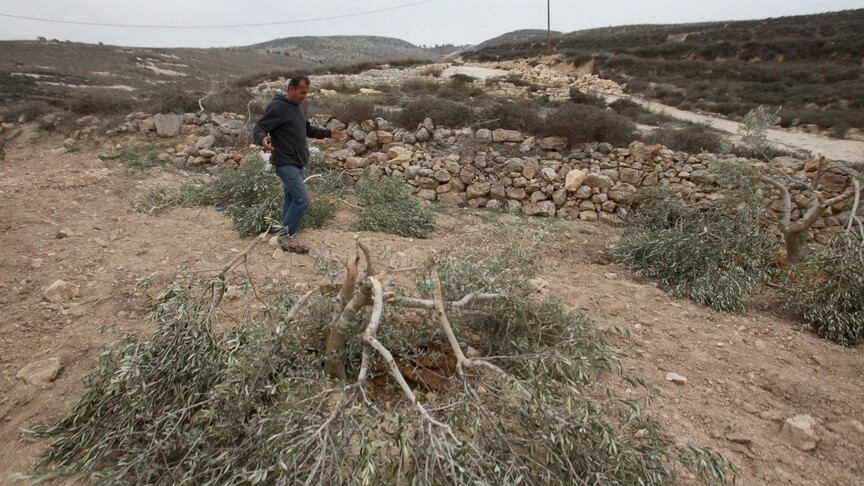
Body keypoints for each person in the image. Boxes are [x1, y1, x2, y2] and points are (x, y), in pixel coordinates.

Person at [253, 75, 344, 253]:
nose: (304, 96)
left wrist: (327, 133)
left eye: (307, 93)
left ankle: (284, 233)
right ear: (291, 89)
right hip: (284, 162)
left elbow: (307, 129)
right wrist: (262, 139)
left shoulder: (297, 108)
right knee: (302, 199)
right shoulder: (278, 107)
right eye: (302, 92)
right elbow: (260, 127)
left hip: (297, 162)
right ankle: (285, 237)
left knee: (291, 199)